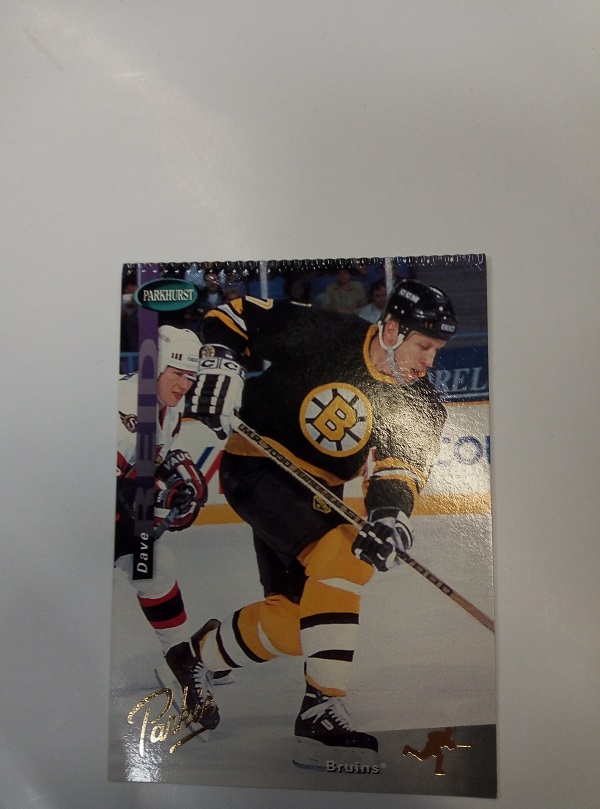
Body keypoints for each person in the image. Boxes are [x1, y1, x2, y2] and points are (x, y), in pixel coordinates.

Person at [187, 278, 457, 765]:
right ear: (392, 330)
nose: (429, 361)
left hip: (319, 494)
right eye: (424, 346)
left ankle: (195, 656)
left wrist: (390, 517)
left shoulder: (421, 404)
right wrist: (222, 363)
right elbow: (235, 315)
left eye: (437, 350)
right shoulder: (326, 331)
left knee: (297, 627)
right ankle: (319, 712)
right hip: (257, 465)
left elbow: (399, 472)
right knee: (347, 558)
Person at [114, 325, 218, 729]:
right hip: (68, 524)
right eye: (177, 374)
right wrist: (158, 501)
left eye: (190, 377)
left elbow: (147, 466)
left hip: (111, 518)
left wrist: (173, 479)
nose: (184, 385)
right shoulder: (123, 404)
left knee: (156, 566)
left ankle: (181, 662)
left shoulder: (166, 407)